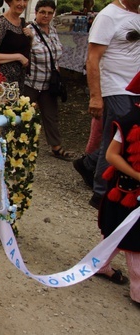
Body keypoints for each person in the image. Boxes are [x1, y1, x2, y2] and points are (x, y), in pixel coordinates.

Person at [72, 0, 140, 209]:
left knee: (125, 138)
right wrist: (95, 96)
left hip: (135, 87)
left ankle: (88, 164)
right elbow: (93, 58)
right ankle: (101, 194)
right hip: (116, 87)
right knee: (114, 137)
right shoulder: (108, 16)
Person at [95, 73, 140, 305]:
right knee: (133, 242)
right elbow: (112, 155)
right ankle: (138, 293)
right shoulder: (129, 120)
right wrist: (137, 175)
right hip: (126, 193)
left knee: (117, 236)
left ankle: (100, 264)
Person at [24, 0, 73, 160]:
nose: (46, 15)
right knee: (24, 115)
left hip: (49, 82)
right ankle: (20, 146)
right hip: (31, 81)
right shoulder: (28, 31)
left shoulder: (52, 30)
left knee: (51, 115)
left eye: (49, 13)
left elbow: (56, 54)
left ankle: (56, 147)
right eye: (42, 12)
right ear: (36, 12)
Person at [0, 0, 32, 91]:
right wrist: (18, 57)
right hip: (5, 81)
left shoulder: (22, 22)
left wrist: (31, 37)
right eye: (18, 0)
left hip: (20, 80)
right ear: (9, 2)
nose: (22, 4)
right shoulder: (2, 23)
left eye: (25, 0)